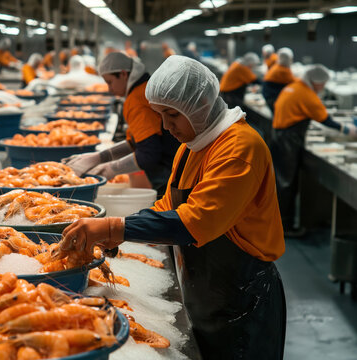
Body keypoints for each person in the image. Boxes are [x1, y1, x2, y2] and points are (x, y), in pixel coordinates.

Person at [60, 55, 286, 359]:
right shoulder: (193, 146)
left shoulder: (239, 149)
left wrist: (116, 227)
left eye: (171, 115)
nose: (166, 127)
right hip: (208, 291)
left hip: (244, 297)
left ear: (200, 105)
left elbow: (194, 222)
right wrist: (124, 229)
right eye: (160, 115)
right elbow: (168, 206)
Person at [64, 52, 179, 194]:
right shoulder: (144, 87)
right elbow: (139, 141)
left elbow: (149, 154)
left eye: (110, 82)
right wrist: (99, 157)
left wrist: (110, 169)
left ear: (123, 74)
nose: (109, 89)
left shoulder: (136, 99)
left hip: (169, 170)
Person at [272, 64, 357, 236]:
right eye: (323, 83)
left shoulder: (295, 86)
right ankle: (284, 227)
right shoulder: (306, 94)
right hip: (289, 139)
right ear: (316, 81)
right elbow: (325, 119)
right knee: (286, 183)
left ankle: (281, 224)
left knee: (283, 181)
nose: (324, 87)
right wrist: (348, 130)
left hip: (281, 136)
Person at [262, 47, 295, 112]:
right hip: (272, 97)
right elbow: (293, 83)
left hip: (269, 95)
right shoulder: (283, 70)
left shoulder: (277, 66)